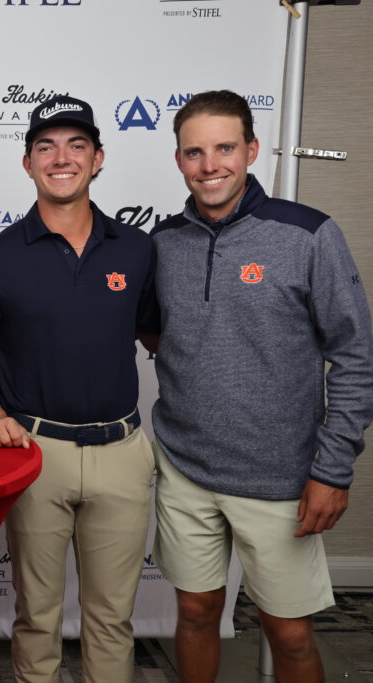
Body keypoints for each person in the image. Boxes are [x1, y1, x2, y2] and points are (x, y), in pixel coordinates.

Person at [149, 89, 373, 683]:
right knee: (196, 611)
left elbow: (354, 356)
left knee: (289, 632)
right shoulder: (164, 243)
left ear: (251, 150)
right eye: (194, 152)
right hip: (184, 466)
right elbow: (155, 331)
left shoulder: (308, 234)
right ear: (178, 161)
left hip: (280, 476)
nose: (210, 164)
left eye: (225, 147)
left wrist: (332, 469)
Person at [0, 95, 157, 683]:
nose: (61, 158)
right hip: (36, 454)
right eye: (46, 146)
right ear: (27, 162)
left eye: (76, 145)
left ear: (99, 159)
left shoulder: (138, 249)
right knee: (37, 616)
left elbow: (155, 332)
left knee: (112, 619)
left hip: (122, 451)